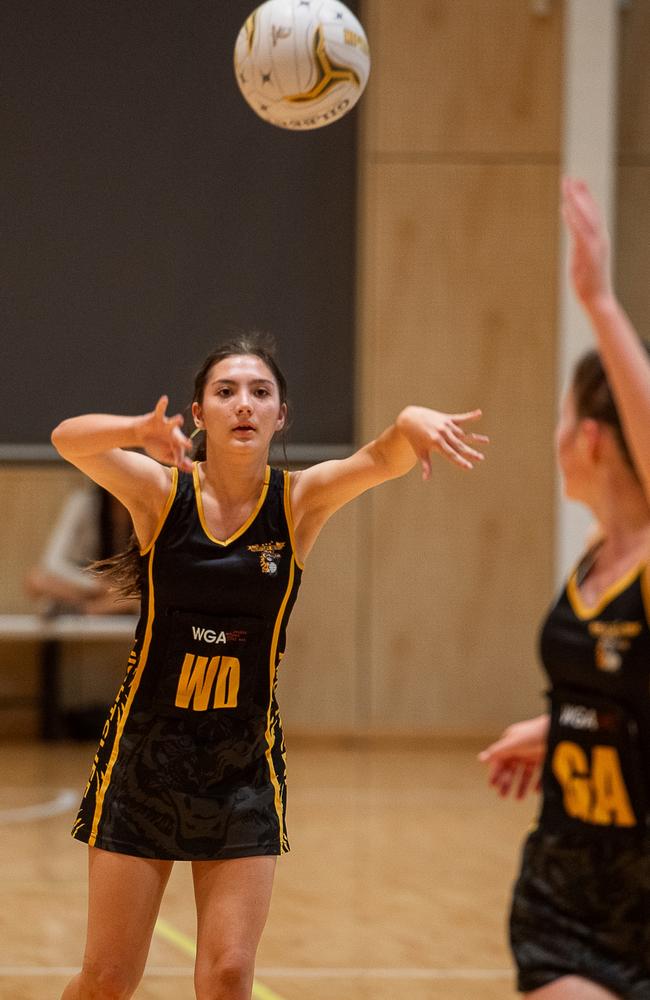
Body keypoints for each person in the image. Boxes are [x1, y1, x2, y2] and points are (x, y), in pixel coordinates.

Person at [51, 335, 488, 1000]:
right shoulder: (159, 494)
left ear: (281, 415)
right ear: (199, 412)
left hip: (241, 765)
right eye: (226, 391)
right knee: (108, 977)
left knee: (228, 973)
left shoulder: (299, 502)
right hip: (146, 756)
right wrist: (138, 431)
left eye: (260, 392)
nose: (244, 403)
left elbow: (378, 459)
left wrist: (407, 426)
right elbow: (68, 439)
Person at [479, 179, 650, 999]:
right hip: (565, 887)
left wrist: (599, 303)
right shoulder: (593, 555)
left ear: (589, 435)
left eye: (558, 420)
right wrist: (560, 725)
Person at [25, 485, 137, 615]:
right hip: (95, 585)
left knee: (139, 595)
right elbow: (52, 562)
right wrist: (97, 585)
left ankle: (92, 609)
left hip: (130, 590)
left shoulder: (151, 503)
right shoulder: (85, 503)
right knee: (36, 580)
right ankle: (96, 608)